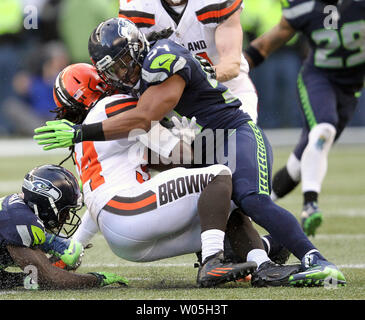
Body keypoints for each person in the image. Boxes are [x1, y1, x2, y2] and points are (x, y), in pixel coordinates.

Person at [33, 18, 346, 287]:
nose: (123, 73)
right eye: (113, 70)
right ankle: (262, 262)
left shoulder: (160, 58)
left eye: (123, 62)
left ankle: (314, 258)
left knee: (249, 197)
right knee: (224, 199)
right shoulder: (131, 87)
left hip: (232, 132)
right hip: (207, 145)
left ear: (137, 46)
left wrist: (80, 132)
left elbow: (145, 118)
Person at [49, 62, 294, 288]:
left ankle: (263, 261)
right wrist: (185, 136)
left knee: (222, 205)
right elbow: (182, 155)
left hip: (123, 237)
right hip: (129, 212)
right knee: (218, 176)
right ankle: (212, 262)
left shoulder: (85, 139)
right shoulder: (110, 107)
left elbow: (98, 205)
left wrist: (74, 248)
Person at [243, 0, 365, 236]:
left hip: (350, 90)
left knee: (299, 164)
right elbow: (266, 44)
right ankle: (310, 204)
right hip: (318, 80)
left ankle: (250, 208)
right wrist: (234, 67)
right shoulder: (306, 6)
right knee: (324, 130)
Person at [118, 0, 259, 123]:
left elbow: (231, 66)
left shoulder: (215, 2)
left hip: (228, 94)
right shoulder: (137, 6)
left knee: (234, 148)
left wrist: (193, 74)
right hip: (170, 101)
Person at [0, 164, 128, 289]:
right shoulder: (20, 221)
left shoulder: (17, 210)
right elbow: (51, 279)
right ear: (47, 205)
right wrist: (95, 279)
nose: (66, 217)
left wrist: (51, 258)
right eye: (64, 211)